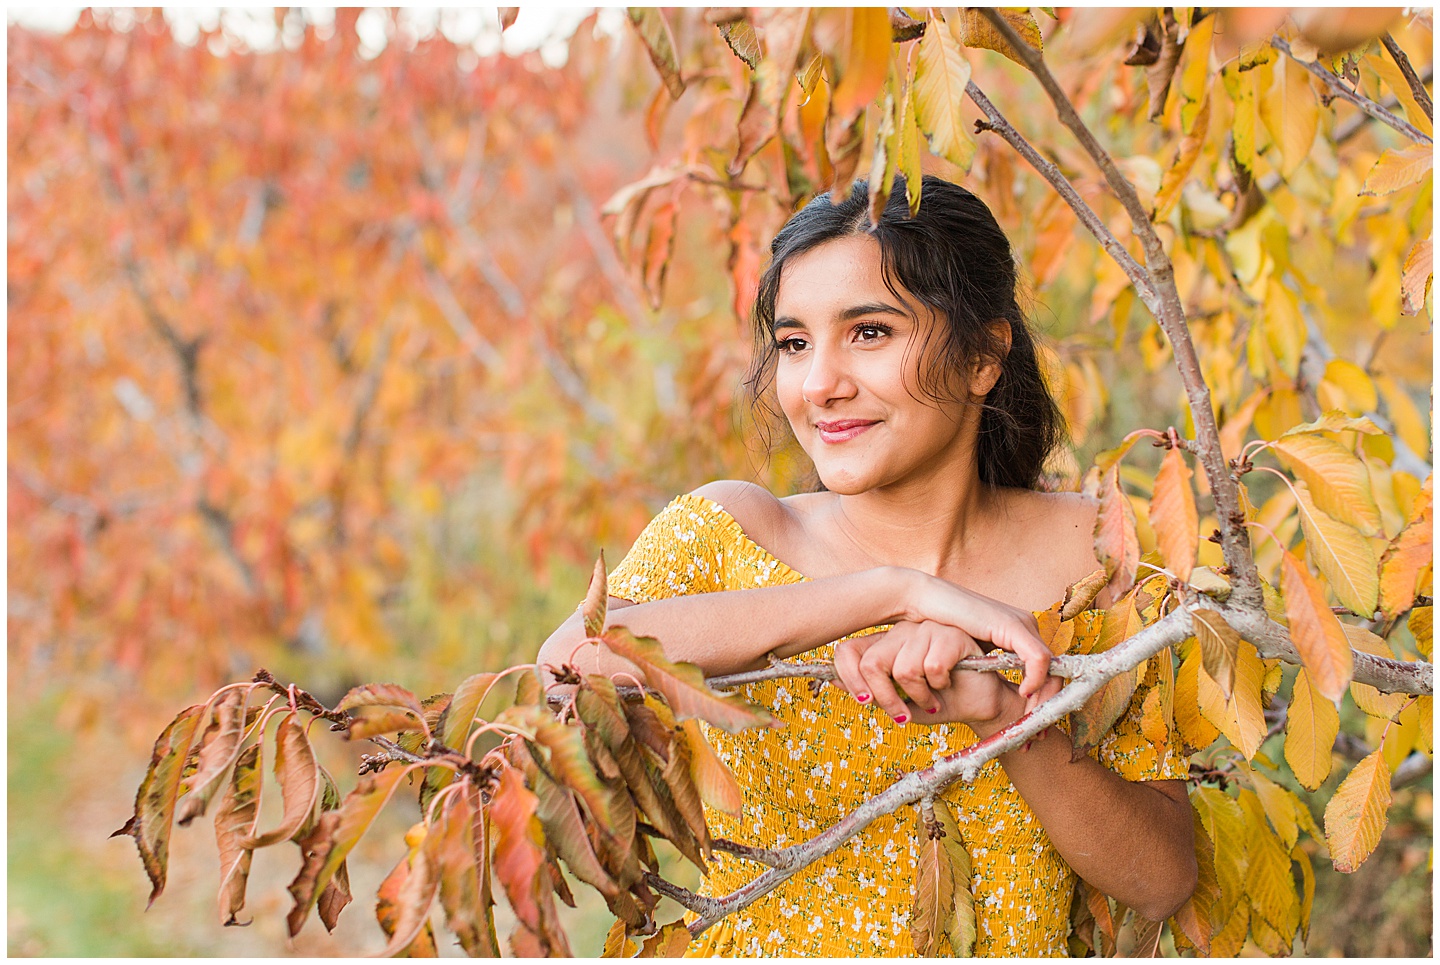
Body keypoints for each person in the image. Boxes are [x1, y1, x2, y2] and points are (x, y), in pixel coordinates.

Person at [537, 175, 1196, 956]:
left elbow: (1163, 877)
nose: (819, 383)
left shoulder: (1097, 556)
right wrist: (891, 591)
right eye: (793, 343)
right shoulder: (732, 531)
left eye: (870, 332)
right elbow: (567, 660)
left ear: (984, 354)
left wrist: (1006, 717)